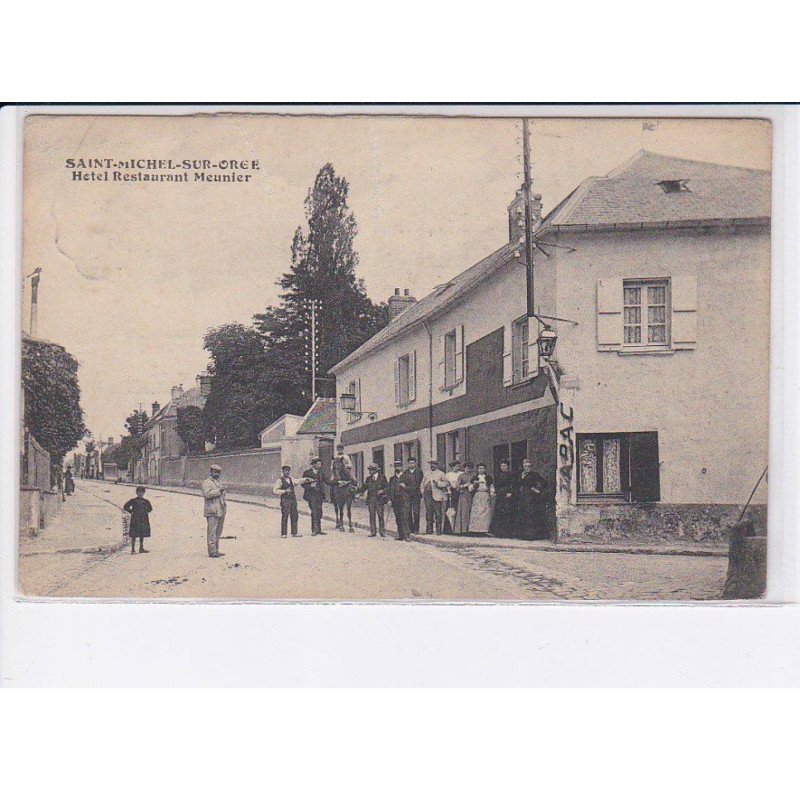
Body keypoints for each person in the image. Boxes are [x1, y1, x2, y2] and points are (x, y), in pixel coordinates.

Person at [517, 459, 549, 539]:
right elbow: (517, 484)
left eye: (528, 466)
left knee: (531, 514)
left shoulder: (534, 474)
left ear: (531, 467)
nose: (527, 468)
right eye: (525, 466)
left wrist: (537, 489)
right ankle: (523, 535)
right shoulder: (521, 474)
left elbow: (544, 482)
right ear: (523, 467)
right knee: (523, 513)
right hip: (523, 496)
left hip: (531, 497)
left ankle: (532, 535)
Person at [356, 463, 389, 537]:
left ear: (376, 470)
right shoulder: (368, 478)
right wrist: (356, 490)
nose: (370, 471)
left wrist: (382, 490)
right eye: (369, 469)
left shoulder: (382, 477)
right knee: (372, 516)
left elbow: (387, 487)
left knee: (380, 516)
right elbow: (363, 488)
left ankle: (382, 532)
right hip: (371, 500)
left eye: (371, 470)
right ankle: (373, 532)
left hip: (379, 500)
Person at [202, 464, 227, 558]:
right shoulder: (207, 482)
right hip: (212, 510)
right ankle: (212, 552)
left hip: (220, 509)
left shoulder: (218, 482)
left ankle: (216, 550)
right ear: (211, 472)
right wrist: (219, 490)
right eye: (215, 472)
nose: (217, 474)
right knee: (212, 531)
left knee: (218, 531)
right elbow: (206, 494)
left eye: (218, 472)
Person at [330, 444, 356, 532]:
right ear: (337, 449)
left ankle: (354, 494)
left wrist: (346, 466)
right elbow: (331, 467)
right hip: (337, 472)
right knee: (331, 482)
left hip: (345, 471)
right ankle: (332, 497)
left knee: (354, 479)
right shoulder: (335, 457)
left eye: (341, 448)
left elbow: (350, 465)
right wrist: (335, 469)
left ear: (343, 449)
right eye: (338, 448)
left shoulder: (346, 456)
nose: (340, 450)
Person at [301, 457, 328, 536]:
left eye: (320, 464)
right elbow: (302, 484)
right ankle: (314, 530)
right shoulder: (307, 472)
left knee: (320, 512)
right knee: (314, 512)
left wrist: (338, 482)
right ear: (313, 464)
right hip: (311, 495)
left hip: (319, 495)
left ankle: (319, 529)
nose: (320, 465)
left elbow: (327, 481)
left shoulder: (320, 472)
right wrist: (310, 486)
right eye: (318, 464)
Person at [489, 459, 517, 537]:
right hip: (500, 495)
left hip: (507, 495)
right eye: (502, 466)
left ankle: (508, 533)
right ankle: (498, 532)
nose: (503, 467)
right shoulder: (499, 475)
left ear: (507, 466)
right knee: (499, 512)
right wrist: (494, 492)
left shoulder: (511, 474)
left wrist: (510, 492)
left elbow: (513, 484)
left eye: (504, 466)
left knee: (507, 512)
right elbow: (496, 485)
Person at [387, 460, 413, 540]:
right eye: (396, 466)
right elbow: (389, 490)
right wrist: (389, 500)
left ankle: (407, 536)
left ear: (402, 467)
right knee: (398, 518)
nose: (397, 468)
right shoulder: (392, 478)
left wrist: (405, 487)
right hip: (395, 501)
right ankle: (400, 535)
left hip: (404, 500)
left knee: (405, 518)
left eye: (399, 466)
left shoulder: (407, 477)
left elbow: (412, 488)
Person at [273, 465, 301, 538]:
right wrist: (284, 491)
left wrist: (301, 481)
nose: (287, 472)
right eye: (285, 471)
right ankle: (283, 533)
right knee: (285, 516)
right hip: (285, 500)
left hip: (293, 499)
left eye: (288, 471)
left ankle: (294, 533)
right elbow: (275, 490)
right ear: (282, 472)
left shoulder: (291, 478)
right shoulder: (279, 480)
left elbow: (298, 481)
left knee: (294, 516)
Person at [422, 459, 449, 534]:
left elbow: (446, 483)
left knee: (438, 513)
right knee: (428, 512)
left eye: (434, 464)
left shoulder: (441, 474)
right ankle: (429, 530)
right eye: (431, 464)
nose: (432, 466)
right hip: (428, 495)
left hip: (437, 495)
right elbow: (422, 483)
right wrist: (423, 491)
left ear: (437, 465)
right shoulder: (427, 473)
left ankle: (438, 531)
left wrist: (438, 483)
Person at [123, 486, 153, 555]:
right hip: (135, 519)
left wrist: (145, 512)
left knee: (142, 533)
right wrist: (131, 511)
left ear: (144, 493)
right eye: (139, 492)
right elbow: (126, 506)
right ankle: (133, 549)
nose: (140, 494)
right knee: (134, 534)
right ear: (137, 492)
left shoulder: (146, 501)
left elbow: (150, 509)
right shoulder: (133, 501)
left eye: (142, 492)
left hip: (143, 519)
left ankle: (141, 548)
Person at [467, 463, 495, 534]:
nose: (481, 470)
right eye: (480, 468)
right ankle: (476, 530)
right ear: (477, 469)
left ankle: (485, 530)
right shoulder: (475, 478)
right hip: (477, 495)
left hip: (485, 494)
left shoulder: (488, 477)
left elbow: (491, 486)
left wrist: (492, 492)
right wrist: (474, 484)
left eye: (482, 468)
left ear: (485, 469)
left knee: (485, 512)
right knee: (477, 511)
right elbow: (470, 489)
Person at [402, 456, 424, 533]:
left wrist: (406, 487)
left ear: (415, 463)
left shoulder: (419, 472)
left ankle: (416, 529)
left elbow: (417, 485)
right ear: (408, 464)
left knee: (416, 511)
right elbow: (402, 482)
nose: (411, 464)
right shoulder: (405, 472)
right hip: (407, 495)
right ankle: (410, 528)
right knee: (408, 511)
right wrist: (405, 487)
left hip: (416, 495)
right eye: (410, 463)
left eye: (413, 463)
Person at [452, 462, 475, 534]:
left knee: (472, 512)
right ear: (464, 468)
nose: (468, 469)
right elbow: (457, 487)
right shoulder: (461, 476)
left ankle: (472, 529)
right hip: (464, 495)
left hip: (472, 495)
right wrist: (465, 485)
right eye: (467, 468)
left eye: (470, 468)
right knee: (464, 512)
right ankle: (463, 530)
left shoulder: (474, 475)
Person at [443, 461, 462, 534]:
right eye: (456, 466)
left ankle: (458, 529)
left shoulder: (461, 474)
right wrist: (448, 489)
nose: (457, 468)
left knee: (458, 509)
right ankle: (449, 529)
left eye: (458, 466)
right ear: (452, 467)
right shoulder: (448, 475)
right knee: (450, 510)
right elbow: (446, 484)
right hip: (451, 493)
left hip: (459, 492)